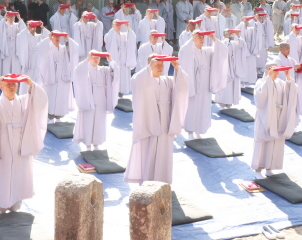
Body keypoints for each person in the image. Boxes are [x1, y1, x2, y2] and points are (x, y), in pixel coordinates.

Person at [0, 74, 48, 213]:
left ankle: (16, 203)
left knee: (19, 171)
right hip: (2, 141)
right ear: (1, 87)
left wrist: (32, 85)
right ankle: (1, 204)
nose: (12, 86)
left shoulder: (24, 101)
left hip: (21, 141)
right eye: (8, 84)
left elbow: (41, 100)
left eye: (14, 84)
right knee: (2, 171)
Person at [124, 55, 188, 185]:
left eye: (162, 64)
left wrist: (177, 68)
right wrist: (149, 66)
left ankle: (163, 181)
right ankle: (147, 180)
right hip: (150, 121)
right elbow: (136, 81)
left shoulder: (167, 80)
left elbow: (182, 85)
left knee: (164, 151)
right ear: (149, 66)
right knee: (149, 149)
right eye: (156, 65)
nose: (160, 67)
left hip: (166, 121)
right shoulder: (143, 79)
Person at [178, 30, 228, 140]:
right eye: (199, 37)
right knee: (192, 106)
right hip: (194, 83)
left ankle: (199, 130)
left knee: (203, 107)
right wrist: (191, 38)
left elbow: (222, 51)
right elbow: (183, 52)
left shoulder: (207, 51)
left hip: (205, 83)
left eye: (203, 37)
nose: (202, 39)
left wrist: (214, 39)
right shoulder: (189, 51)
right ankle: (190, 131)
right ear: (193, 39)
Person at [251, 65, 298, 179]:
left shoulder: (280, 83)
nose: (276, 74)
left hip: (278, 116)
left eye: (277, 71)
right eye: (274, 71)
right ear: (267, 71)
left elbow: (290, 93)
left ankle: (269, 168)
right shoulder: (261, 82)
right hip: (265, 116)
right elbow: (259, 98)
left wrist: (288, 79)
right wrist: (269, 79)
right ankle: (258, 170)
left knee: (276, 142)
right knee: (262, 141)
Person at [72, 51, 120, 150]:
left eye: (98, 58)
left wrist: (111, 60)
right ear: (90, 58)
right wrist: (87, 59)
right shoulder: (85, 68)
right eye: (94, 57)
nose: (96, 60)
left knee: (99, 121)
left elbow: (115, 72)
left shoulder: (103, 70)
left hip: (101, 98)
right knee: (88, 121)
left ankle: (96, 143)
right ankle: (88, 144)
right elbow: (77, 71)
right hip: (88, 99)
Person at [36, 31, 78, 122]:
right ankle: (49, 115)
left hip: (62, 75)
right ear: (51, 37)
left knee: (61, 95)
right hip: (50, 75)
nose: (57, 39)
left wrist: (68, 39)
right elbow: (39, 48)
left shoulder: (64, 49)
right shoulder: (47, 47)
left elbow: (75, 49)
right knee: (50, 94)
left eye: (59, 37)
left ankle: (59, 115)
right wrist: (48, 38)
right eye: (55, 37)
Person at [215, 28, 247, 108]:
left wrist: (238, 35)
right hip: (225, 68)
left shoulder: (233, 43)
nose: (229, 34)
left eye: (230, 33)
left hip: (233, 67)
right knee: (225, 85)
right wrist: (226, 38)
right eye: (227, 33)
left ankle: (229, 102)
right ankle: (222, 102)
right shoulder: (221, 43)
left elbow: (241, 45)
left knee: (231, 86)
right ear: (223, 35)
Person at [105, 19, 138, 96]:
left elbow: (132, 37)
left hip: (124, 58)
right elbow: (108, 39)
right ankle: (114, 93)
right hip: (115, 57)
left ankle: (122, 92)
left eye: (120, 25)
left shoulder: (124, 35)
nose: (119, 26)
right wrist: (114, 26)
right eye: (117, 25)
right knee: (115, 75)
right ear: (112, 26)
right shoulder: (110, 35)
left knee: (123, 76)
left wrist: (128, 28)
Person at [17, 21, 50, 94]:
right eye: (32, 26)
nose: (33, 28)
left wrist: (42, 27)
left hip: (36, 60)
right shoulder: (25, 36)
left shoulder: (38, 36)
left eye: (35, 27)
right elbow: (19, 36)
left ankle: (36, 94)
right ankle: (24, 94)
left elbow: (48, 37)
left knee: (37, 78)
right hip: (28, 60)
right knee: (27, 78)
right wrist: (27, 28)